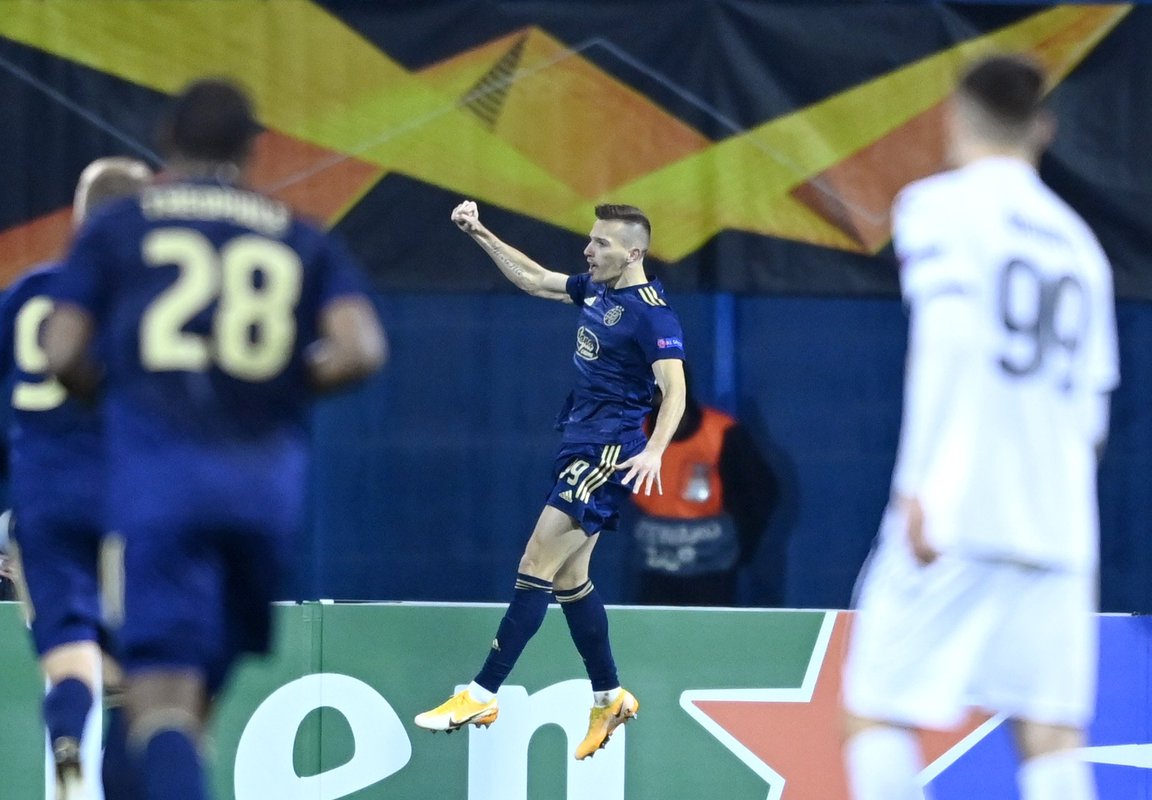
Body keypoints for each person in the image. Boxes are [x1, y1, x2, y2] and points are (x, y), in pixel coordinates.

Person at [43, 78, 388, 800]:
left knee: (160, 706)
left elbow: (62, 349)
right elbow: (360, 349)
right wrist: (271, 387)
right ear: (254, 149)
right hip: (264, 493)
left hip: (166, 484)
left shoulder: (120, 227)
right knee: (193, 709)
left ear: (167, 138)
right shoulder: (295, 233)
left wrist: (123, 395)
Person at [841, 55, 1118, 800]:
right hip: (1059, 522)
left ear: (953, 121)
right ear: (1042, 129)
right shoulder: (1082, 247)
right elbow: (1093, 413)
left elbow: (951, 342)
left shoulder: (937, 208)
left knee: (873, 710)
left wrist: (920, 485)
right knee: (1051, 734)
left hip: (957, 506)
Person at [414, 200, 687, 760]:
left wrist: (656, 450)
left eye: (601, 243)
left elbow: (675, 390)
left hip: (608, 451)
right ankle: (609, 697)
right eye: (590, 239)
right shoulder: (598, 291)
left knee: (534, 564)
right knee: (569, 580)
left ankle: (480, 694)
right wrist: (479, 232)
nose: (588, 250)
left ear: (633, 253)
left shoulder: (653, 315)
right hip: (578, 443)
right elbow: (536, 280)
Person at [0, 156, 151, 799]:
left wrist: (20, 473)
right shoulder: (153, 298)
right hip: (122, 497)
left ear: (78, 217)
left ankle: (67, 742)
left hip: (45, 501)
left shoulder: (34, 289)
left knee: (69, 654)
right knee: (137, 678)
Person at [627, 383, 777, 606]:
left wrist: (742, 547)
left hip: (711, 571)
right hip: (653, 570)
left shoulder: (721, 432)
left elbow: (760, 491)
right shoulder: (632, 435)